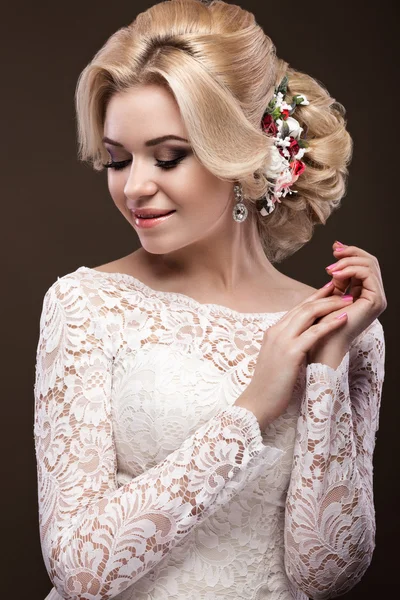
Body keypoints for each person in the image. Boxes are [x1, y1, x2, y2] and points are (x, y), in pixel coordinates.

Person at [33, 1, 387, 599]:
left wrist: (326, 367)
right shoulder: (86, 304)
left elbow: (326, 573)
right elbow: (78, 570)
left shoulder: (342, 327)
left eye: (168, 156)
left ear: (244, 155)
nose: (135, 186)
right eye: (118, 160)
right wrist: (253, 409)